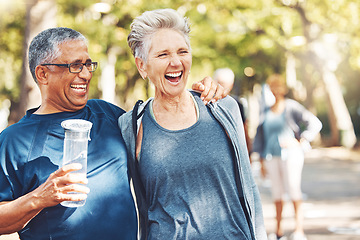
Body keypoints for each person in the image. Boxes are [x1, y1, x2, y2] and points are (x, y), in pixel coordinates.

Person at [0, 27, 226, 239]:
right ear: (42, 74)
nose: (86, 74)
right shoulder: (14, 141)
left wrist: (200, 92)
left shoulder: (108, 114)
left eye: (89, 64)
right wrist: (39, 198)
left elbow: (165, 120)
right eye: (75, 66)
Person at [119, 9, 267, 240]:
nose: (175, 62)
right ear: (142, 66)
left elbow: (250, 191)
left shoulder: (223, 108)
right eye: (162, 55)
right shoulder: (130, 127)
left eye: (182, 51)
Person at [253, 74, 322, 240]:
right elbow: (260, 137)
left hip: (291, 155)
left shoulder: (291, 107)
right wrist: (261, 161)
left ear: (283, 89)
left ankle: (299, 230)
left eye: (278, 86)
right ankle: (278, 232)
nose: (275, 90)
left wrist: (300, 140)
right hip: (271, 157)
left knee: (293, 189)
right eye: (272, 87)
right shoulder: (266, 111)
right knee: (277, 193)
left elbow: (315, 123)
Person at [213, 68, 252, 161]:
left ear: (231, 85)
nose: (222, 88)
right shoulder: (206, 103)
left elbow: (244, 128)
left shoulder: (237, 104)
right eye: (220, 83)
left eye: (226, 85)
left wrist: (248, 153)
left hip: (234, 152)